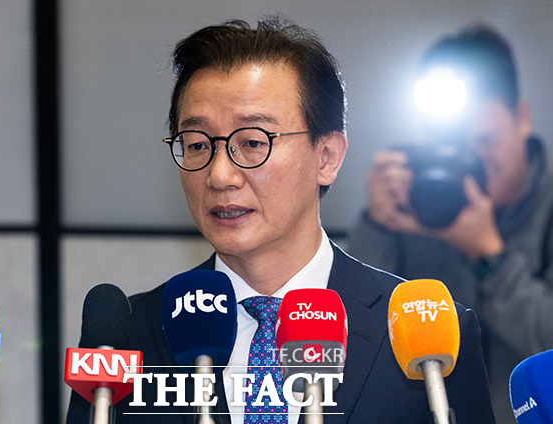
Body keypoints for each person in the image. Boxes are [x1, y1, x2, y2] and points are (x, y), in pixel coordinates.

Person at [67, 15, 496, 423]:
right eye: (197, 144)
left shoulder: (426, 335)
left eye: (253, 142)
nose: (220, 175)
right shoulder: (125, 338)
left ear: (327, 157)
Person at [347, 24, 553, 424]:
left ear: (523, 118)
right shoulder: (416, 205)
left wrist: (487, 257)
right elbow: (357, 333)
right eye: (452, 145)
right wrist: (378, 225)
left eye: (485, 140)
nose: (471, 159)